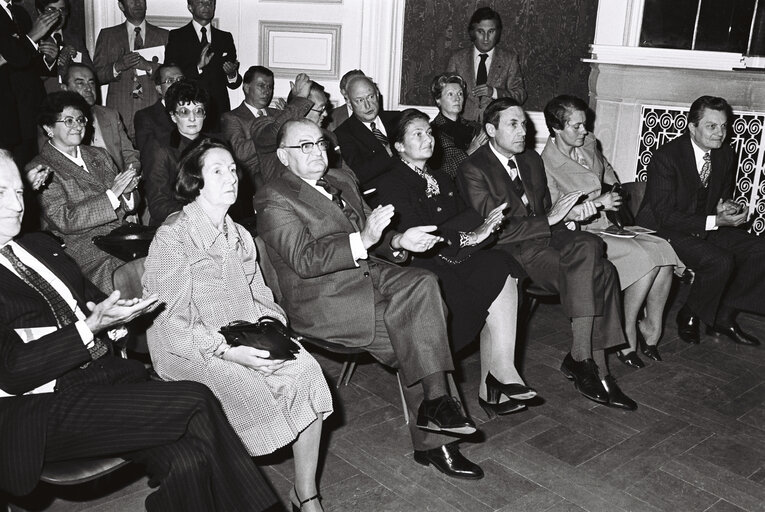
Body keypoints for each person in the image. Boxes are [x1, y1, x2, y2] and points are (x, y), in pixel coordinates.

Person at [0, 149, 278, 512]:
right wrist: (89, 328)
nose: (17, 203)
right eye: (1, 192)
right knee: (195, 398)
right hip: (35, 410)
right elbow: (12, 371)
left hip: (99, 381)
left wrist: (117, 320)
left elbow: (92, 301)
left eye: (20, 191)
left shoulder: (37, 245)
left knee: (189, 460)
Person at [255, 119, 485, 480]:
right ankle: (437, 435)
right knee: (413, 332)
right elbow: (304, 259)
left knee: (424, 282)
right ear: (283, 156)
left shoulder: (342, 180)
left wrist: (398, 241)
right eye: (305, 146)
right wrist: (363, 238)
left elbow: (373, 233)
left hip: (373, 276)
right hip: (325, 297)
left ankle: (437, 406)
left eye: (320, 143)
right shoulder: (273, 197)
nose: (317, 152)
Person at [144, 138, 332, 512]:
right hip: (190, 346)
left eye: (233, 169)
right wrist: (231, 352)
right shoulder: (174, 237)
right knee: (250, 389)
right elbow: (170, 321)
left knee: (306, 370)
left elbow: (260, 295)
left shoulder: (238, 233)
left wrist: (275, 333)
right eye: (218, 171)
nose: (231, 177)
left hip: (242, 331)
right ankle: (228, 493)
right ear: (195, 181)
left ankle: (305, 492)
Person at [458, 97, 636, 411]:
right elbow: (496, 230)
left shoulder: (529, 160)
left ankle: (584, 359)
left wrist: (566, 216)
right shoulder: (473, 169)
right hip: (511, 252)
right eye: (513, 124)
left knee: (592, 246)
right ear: (490, 129)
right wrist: (551, 220)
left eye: (523, 123)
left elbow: (545, 212)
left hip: (548, 238)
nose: (522, 130)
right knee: (603, 272)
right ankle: (592, 365)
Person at [373, 109, 536, 416]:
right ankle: (490, 388)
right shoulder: (392, 182)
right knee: (476, 282)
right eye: (417, 134)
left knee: (501, 266)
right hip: (420, 267)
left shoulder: (442, 177)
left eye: (429, 132)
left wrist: (481, 230)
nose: (427, 139)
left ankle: (502, 372)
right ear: (398, 146)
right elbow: (420, 233)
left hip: (452, 256)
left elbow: (470, 218)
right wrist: (468, 235)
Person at [541, 95, 684, 365]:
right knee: (646, 259)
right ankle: (627, 331)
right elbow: (556, 215)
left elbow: (605, 170)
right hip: (583, 233)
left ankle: (651, 327)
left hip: (609, 224)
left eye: (585, 124)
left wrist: (614, 189)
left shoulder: (588, 143)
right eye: (576, 127)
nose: (584, 131)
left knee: (664, 250)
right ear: (556, 128)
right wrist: (598, 203)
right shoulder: (545, 165)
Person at [636, 95, 765, 347]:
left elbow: (720, 195)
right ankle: (691, 313)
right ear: (692, 127)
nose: (721, 133)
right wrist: (715, 220)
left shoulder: (725, 154)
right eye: (712, 126)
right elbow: (664, 215)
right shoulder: (667, 156)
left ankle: (723, 315)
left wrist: (728, 207)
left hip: (703, 223)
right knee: (719, 260)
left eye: (724, 126)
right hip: (662, 228)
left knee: (759, 249)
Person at [31, 91, 139, 292]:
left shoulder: (99, 155)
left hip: (121, 236)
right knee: (126, 273)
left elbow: (126, 205)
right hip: (84, 248)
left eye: (81, 120)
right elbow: (65, 219)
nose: (78, 126)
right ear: (49, 128)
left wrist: (127, 192)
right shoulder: (40, 169)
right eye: (69, 121)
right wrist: (112, 195)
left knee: (166, 254)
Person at [93, 0, 169, 141]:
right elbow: (95, 76)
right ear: (121, 6)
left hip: (153, 113)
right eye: (131, 0)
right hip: (119, 113)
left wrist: (148, 67)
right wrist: (117, 67)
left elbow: (172, 75)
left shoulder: (164, 36)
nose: (137, 3)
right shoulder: (108, 35)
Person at [165, 0, 242, 131]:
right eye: (201, 2)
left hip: (218, 110)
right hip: (188, 108)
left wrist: (232, 74)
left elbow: (234, 84)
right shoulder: (177, 36)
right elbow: (172, 75)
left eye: (210, 3)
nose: (207, 6)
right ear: (190, 7)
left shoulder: (225, 37)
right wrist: (198, 67)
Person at [0, 0, 59, 167]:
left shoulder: (20, 13)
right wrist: (32, 37)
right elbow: (10, 58)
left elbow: (26, 62)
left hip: (29, 113)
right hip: (5, 115)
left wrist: (48, 59)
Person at [142, 79, 207, 225]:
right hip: (173, 225)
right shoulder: (160, 148)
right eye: (184, 112)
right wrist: (200, 214)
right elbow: (158, 205)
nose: (192, 118)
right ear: (173, 116)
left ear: (205, 115)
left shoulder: (215, 146)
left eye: (198, 111)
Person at [446, 7, 526, 122]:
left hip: (496, 128)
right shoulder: (457, 59)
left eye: (491, 31)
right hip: (461, 128)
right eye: (480, 32)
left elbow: (520, 95)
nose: (486, 38)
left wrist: (493, 92)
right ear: (472, 32)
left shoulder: (509, 59)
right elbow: (445, 95)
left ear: (498, 33)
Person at [245, 72, 325, 183]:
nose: (325, 114)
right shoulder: (262, 124)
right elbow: (276, 133)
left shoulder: (328, 137)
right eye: (321, 110)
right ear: (303, 107)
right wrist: (300, 97)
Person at [60, 63, 140, 173]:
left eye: (91, 83)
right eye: (80, 83)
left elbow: (130, 154)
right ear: (65, 89)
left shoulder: (110, 115)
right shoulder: (57, 122)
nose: (88, 88)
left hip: (119, 181)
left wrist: (129, 177)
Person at [334, 75, 398, 189]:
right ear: (349, 103)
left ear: (377, 95)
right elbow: (358, 174)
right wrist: (390, 151)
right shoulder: (342, 134)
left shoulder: (398, 118)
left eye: (371, 97)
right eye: (359, 100)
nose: (367, 105)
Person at [429, 73, 488, 180]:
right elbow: (440, 175)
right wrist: (470, 151)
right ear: (438, 100)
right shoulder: (431, 132)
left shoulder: (475, 127)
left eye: (460, 94)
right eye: (450, 94)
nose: (457, 99)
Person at [35, 0, 93, 93]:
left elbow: (91, 73)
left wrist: (74, 58)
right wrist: (51, 62)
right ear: (40, 12)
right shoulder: (34, 39)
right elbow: (30, 81)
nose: (58, 15)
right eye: (51, 10)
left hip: (73, 101)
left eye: (62, 10)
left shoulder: (75, 39)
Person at [134, 63, 184, 153]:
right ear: (159, 89)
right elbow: (148, 156)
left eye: (180, 79)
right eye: (170, 81)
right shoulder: (145, 117)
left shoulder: (197, 109)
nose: (178, 84)